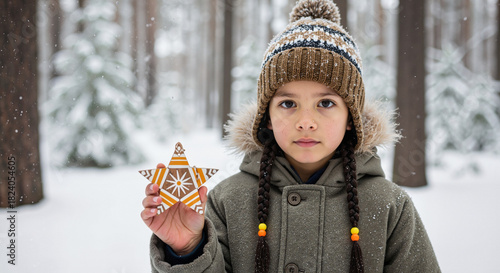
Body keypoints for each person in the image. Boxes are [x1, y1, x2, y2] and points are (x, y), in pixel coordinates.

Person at [141, 0, 441, 272]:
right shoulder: (227, 201)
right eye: (288, 104)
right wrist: (187, 250)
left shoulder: (389, 206)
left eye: (326, 103)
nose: (306, 122)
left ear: (351, 117)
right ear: (267, 118)